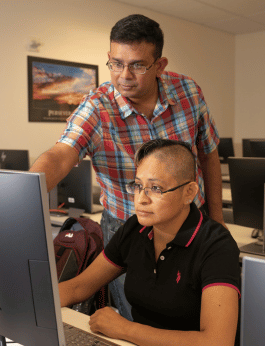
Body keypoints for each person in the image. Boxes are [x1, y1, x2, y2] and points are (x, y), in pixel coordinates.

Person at [30, 14, 225, 320]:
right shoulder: (97, 106)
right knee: (137, 315)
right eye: (116, 63)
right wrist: (26, 187)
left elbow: (209, 154)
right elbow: (61, 154)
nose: (124, 75)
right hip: (127, 227)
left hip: (189, 222)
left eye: (137, 65)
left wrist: (217, 219)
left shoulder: (188, 92)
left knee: (195, 311)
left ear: (159, 66)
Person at [59, 139, 240, 345]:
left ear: (189, 192)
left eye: (155, 188)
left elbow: (217, 342)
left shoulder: (216, 246)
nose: (141, 199)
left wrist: (125, 329)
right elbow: (79, 287)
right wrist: (28, 301)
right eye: (138, 186)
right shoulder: (135, 228)